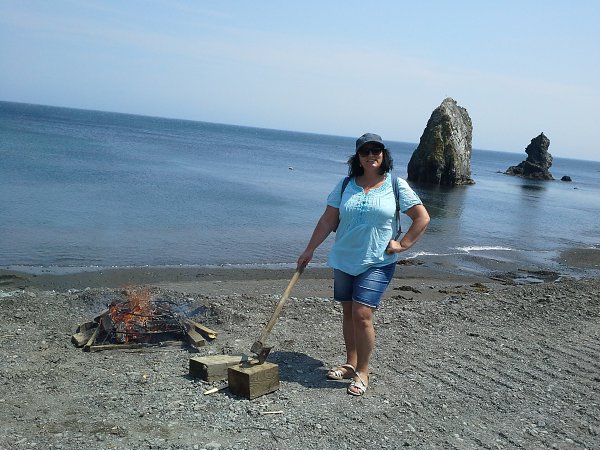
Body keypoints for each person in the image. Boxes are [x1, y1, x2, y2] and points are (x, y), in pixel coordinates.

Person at [297, 133, 430, 396]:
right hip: (344, 258)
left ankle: (363, 371)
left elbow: (422, 217)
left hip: (377, 261)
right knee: (348, 313)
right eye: (365, 151)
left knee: (362, 314)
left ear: (384, 155)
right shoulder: (346, 184)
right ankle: (351, 363)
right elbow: (327, 220)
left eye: (376, 151)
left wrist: (403, 245)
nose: (371, 155)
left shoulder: (395, 185)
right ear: (357, 157)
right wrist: (310, 249)